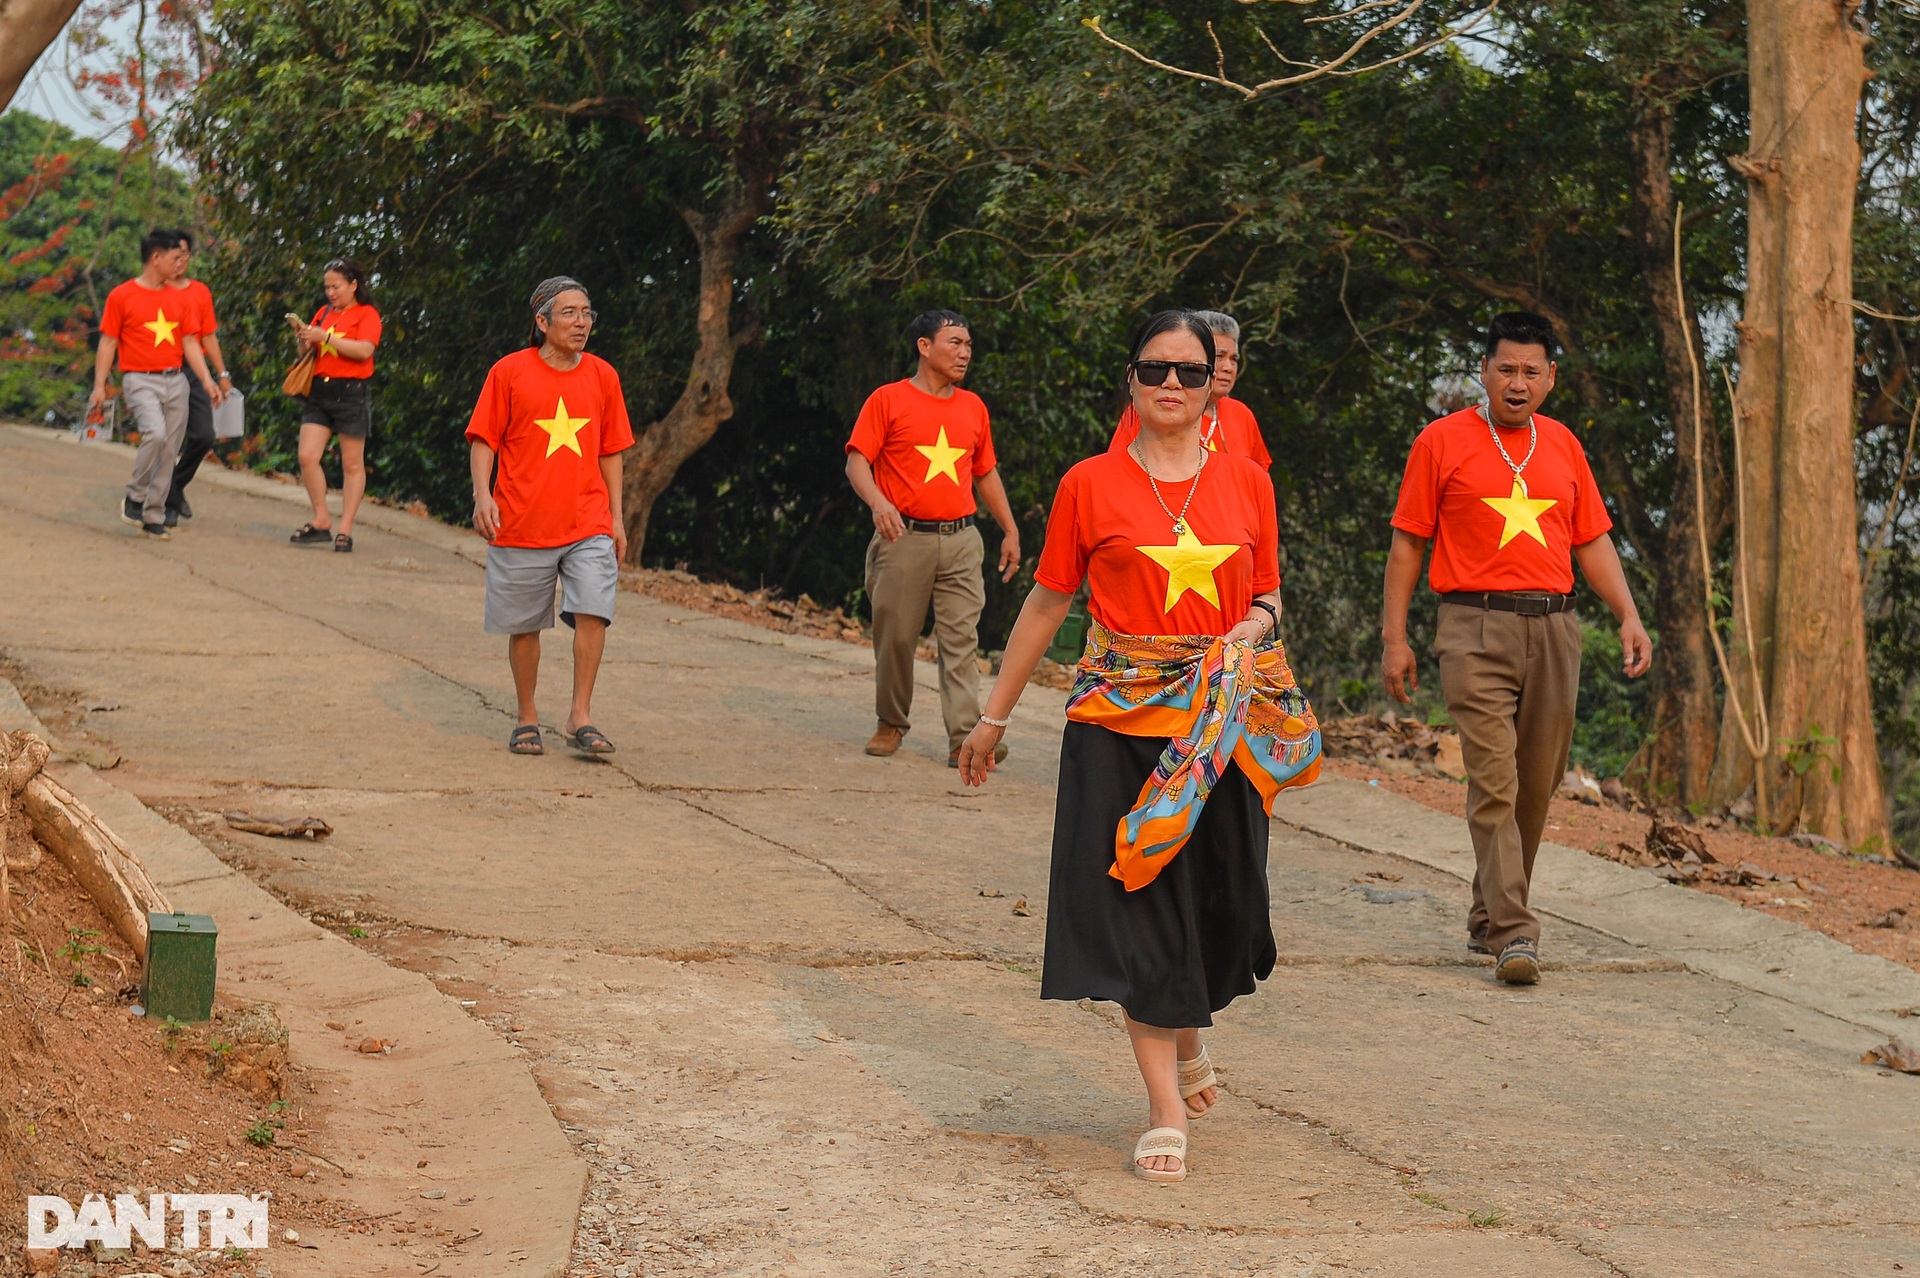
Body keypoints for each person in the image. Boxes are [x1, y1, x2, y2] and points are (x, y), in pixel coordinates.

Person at [955, 311, 1322, 1184]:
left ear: (1211, 386)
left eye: (1189, 373)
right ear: (1131, 380)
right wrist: (993, 717)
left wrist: (1254, 624)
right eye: (1155, 369)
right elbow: (1047, 604)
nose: (1172, 385)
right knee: (1139, 916)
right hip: (1119, 727)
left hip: (1219, 728)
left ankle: (1187, 1033)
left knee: (1227, 913)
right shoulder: (1089, 483)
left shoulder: (1248, 483)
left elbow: (1268, 592)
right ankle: (1163, 1105)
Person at [1380, 311, 1652, 986]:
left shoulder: (1562, 446)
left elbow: (1590, 540)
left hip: (1556, 628)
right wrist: (1395, 638)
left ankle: (1486, 913)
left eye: (1532, 371)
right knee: (1494, 780)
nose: (1518, 382)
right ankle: (1513, 930)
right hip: (1473, 626)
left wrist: (1628, 615)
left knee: (1537, 783)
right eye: (1506, 368)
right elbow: (1408, 543)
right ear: (1484, 371)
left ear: (1551, 377)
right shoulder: (1441, 442)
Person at [465, 276, 633, 757]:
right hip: (521, 520)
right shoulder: (509, 372)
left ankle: (581, 715)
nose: (582, 323)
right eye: (570, 313)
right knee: (525, 625)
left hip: (588, 521)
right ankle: (527, 717)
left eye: (587, 313)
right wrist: (482, 495)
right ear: (541, 322)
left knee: (593, 611)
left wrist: (616, 517)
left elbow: (611, 451)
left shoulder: (603, 376)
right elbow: (484, 439)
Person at [845, 309, 1021, 765]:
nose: (964, 352)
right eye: (954, 343)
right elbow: (856, 462)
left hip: (961, 538)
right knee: (896, 637)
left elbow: (985, 472)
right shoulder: (888, 400)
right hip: (904, 537)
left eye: (968, 345)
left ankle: (965, 738)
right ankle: (890, 722)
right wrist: (879, 503)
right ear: (924, 347)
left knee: (961, 640)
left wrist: (1009, 528)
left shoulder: (973, 407)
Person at [92, 228, 224, 540]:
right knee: (155, 433)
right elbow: (108, 343)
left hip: (175, 379)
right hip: (140, 379)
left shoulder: (179, 299)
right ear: (156, 258)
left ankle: (154, 514)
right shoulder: (122, 295)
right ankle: (135, 495)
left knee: (170, 449)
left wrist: (207, 380)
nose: (178, 263)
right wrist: (99, 384)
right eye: (173, 257)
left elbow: (191, 342)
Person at [287, 258, 382, 553]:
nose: (330, 292)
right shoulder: (324, 312)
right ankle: (321, 518)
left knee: (352, 463)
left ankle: (345, 528)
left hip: (351, 392)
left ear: (353, 285)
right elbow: (308, 351)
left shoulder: (367, 314)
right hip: (320, 391)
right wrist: (304, 338)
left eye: (336, 286)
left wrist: (326, 336)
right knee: (307, 455)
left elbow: (364, 350)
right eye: (327, 287)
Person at [1107, 310, 1271, 468]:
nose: (1228, 367)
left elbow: (1258, 480)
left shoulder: (1241, 415)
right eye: (1219, 356)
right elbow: (1118, 473)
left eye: (1234, 359)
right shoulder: (1150, 412)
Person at [162, 229, 232, 528]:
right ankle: (166, 502)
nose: (179, 262)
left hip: (195, 371)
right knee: (167, 438)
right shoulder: (154, 289)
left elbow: (209, 336)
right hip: (163, 368)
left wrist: (222, 374)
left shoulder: (200, 292)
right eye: (173, 256)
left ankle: (173, 488)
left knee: (204, 435)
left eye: (184, 255)